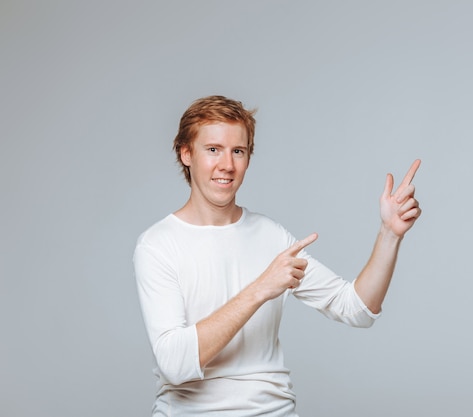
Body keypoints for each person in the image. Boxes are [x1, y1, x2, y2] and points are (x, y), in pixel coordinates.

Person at [133, 95, 421, 416]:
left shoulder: (271, 236)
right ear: (186, 154)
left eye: (238, 151)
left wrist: (390, 234)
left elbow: (356, 309)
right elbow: (175, 364)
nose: (227, 165)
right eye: (213, 149)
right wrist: (260, 289)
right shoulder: (157, 245)